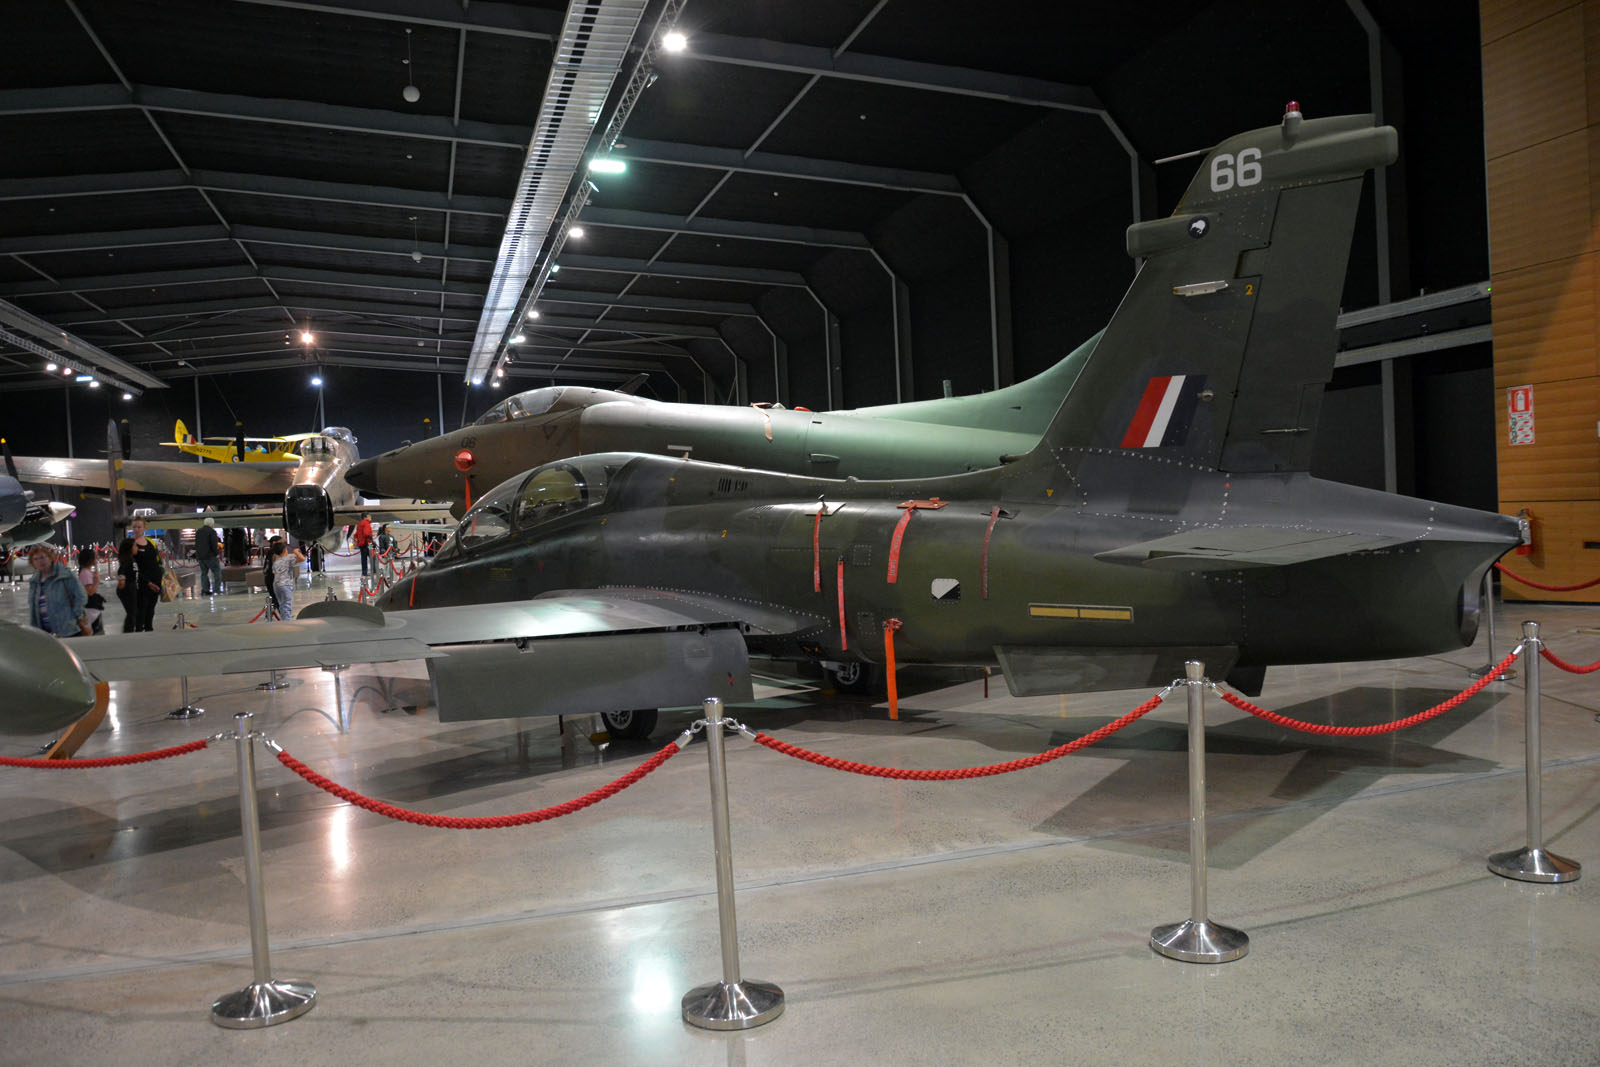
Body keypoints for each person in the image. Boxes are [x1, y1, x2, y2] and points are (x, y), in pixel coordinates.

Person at [27, 544, 92, 639]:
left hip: (68, 630)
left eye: (42, 557)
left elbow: (81, 596)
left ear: (50, 558)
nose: (40, 561)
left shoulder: (64, 575)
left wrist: (75, 616)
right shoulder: (34, 582)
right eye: (36, 559)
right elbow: (33, 608)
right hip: (44, 634)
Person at [116, 517, 163, 632]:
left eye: (139, 527)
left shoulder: (150, 542)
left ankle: (148, 628)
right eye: (134, 527)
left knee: (151, 609)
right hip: (141, 584)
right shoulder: (130, 545)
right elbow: (129, 567)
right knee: (140, 610)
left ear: (144, 528)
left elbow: (157, 561)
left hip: (155, 581)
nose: (136, 529)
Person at [269, 539, 305, 620]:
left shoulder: (275, 561)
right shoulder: (289, 559)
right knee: (287, 604)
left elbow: (275, 573)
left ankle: (284, 618)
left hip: (276, 584)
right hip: (286, 585)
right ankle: (287, 622)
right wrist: (296, 551)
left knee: (281, 604)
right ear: (285, 550)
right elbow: (302, 558)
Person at [77, 546, 105, 634]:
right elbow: (90, 592)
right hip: (90, 610)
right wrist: (96, 582)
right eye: (94, 557)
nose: (96, 559)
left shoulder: (86, 571)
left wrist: (96, 565)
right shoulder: (85, 573)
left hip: (92, 609)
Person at [195, 514, 223, 595]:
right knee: (217, 572)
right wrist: (217, 553)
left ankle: (205, 590)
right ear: (211, 524)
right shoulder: (212, 532)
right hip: (210, 556)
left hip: (201, 556)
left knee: (204, 573)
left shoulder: (198, 531)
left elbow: (197, 544)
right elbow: (214, 544)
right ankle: (216, 589)